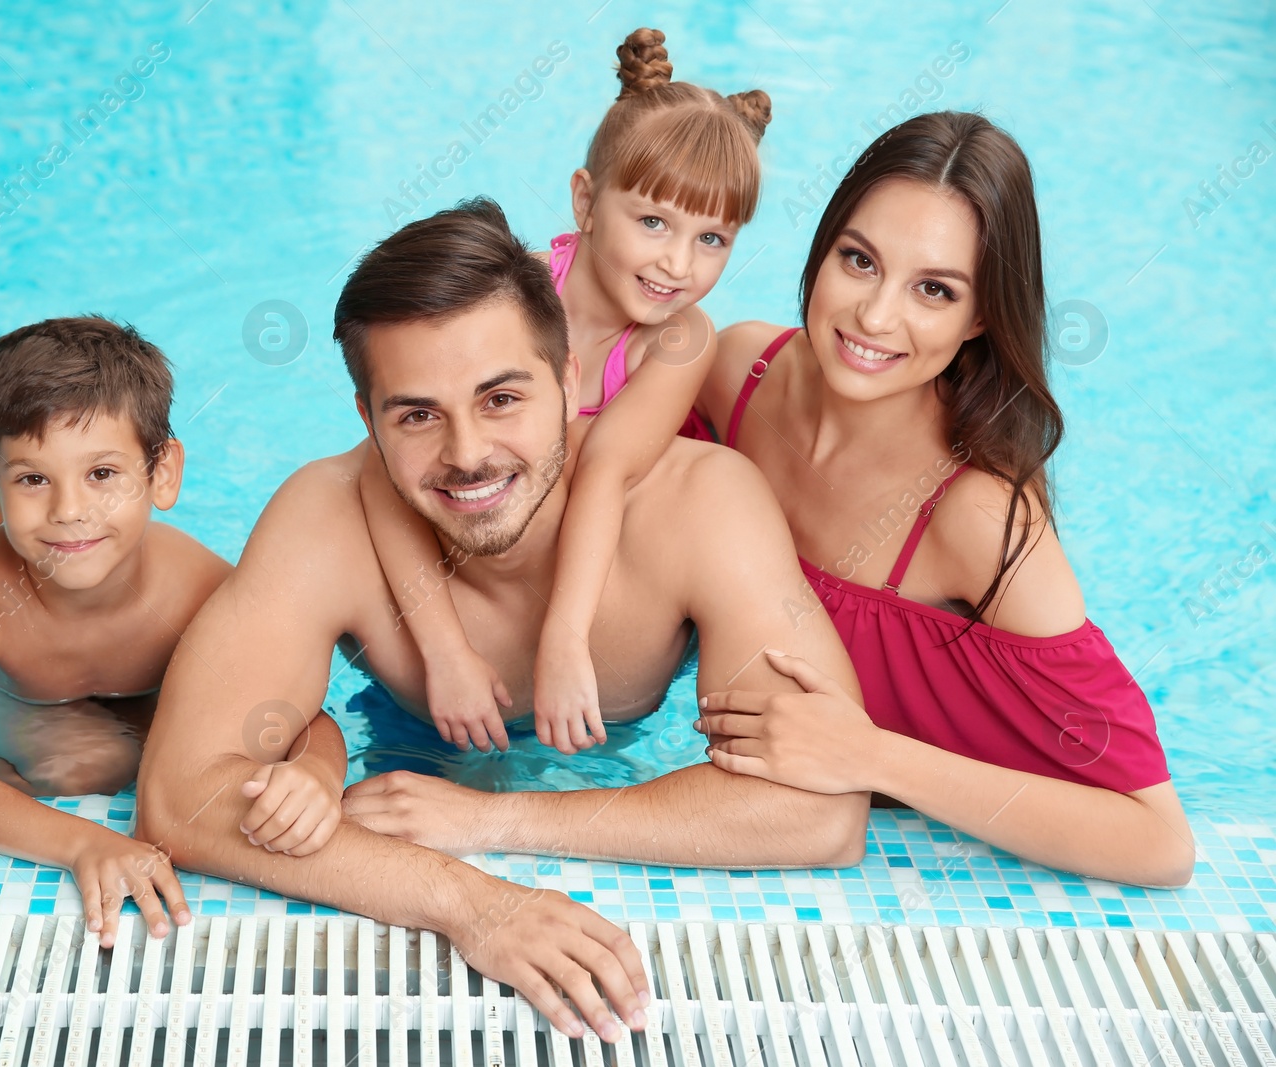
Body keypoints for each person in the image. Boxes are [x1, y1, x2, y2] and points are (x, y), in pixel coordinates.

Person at [135, 198, 869, 1043]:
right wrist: (469, 904)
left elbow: (822, 810)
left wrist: (491, 822)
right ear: (368, 419)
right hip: (410, 749)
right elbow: (178, 796)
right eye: (416, 414)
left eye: (500, 398)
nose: (468, 453)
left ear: (567, 382)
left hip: (566, 774)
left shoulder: (697, 507)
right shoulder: (325, 520)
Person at [688, 112, 1194, 888]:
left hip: (909, 863)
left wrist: (871, 754)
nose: (876, 316)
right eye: (859, 261)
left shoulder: (980, 519)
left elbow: (1159, 842)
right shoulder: (738, 372)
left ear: (980, 316)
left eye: (934, 289)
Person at [359, 27, 771, 755]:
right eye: (652, 222)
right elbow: (378, 470)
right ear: (585, 200)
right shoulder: (511, 297)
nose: (678, 264)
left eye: (713, 239)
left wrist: (565, 639)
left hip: (601, 578)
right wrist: (445, 653)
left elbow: (604, 469)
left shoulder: (680, 339)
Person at [0, 316, 335, 949]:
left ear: (162, 473)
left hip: (164, 709)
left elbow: (300, 714)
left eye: (102, 474)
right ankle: (30, 778)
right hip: (34, 719)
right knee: (82, 764)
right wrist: (85, 842)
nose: (69, 511)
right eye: (32, 479)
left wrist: (318, 776)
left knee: (215, 763)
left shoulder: (201, 591)